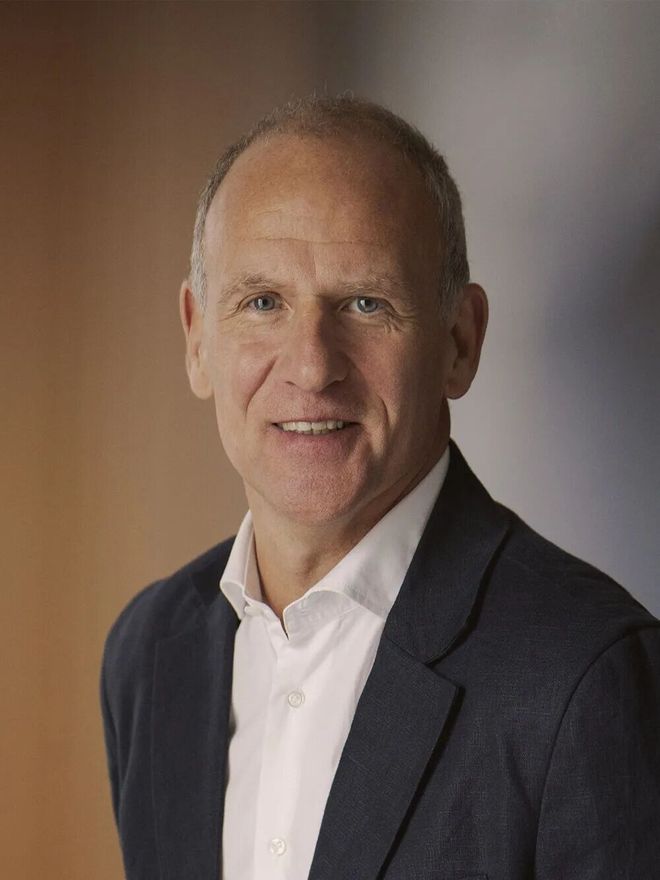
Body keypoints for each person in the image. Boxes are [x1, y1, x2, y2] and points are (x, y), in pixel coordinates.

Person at [100, 96, 660, 880]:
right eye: (262, 303)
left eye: (366, 304)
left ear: (459, 341)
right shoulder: (150, 654)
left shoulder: (585, 675)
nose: (311, 366)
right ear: (197, 338)